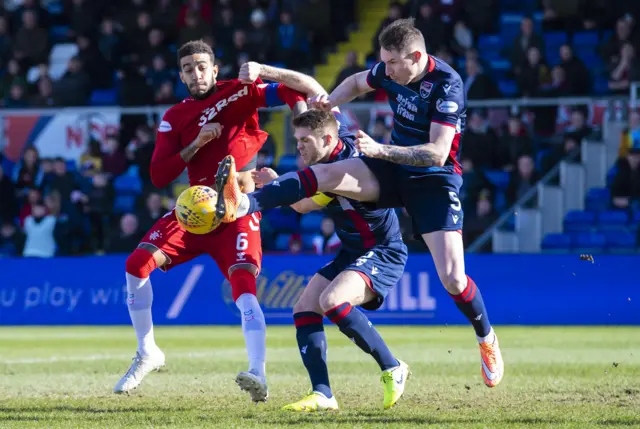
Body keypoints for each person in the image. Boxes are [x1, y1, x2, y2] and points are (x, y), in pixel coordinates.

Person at [215, 19, 504, 388]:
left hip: (432, 178)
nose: (386, 71)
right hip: (390, 167)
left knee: (452, 277)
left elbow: (436, 153)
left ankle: (486, 337)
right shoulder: (388, 70)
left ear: (416, 57)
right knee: (330, 174)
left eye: (393, 64)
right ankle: (244, 204)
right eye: (382, 62)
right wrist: (329, 104)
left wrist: (381, 149)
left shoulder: (447, 85)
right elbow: (353, 83)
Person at [114, 39, 316, 402]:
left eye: (202, 66)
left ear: (215, 68)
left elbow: (290, 90)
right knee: (136, 264)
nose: (196, 73)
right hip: (195, 208)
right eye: (188, 68)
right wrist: (196, 145)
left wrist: (302, 121)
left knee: (243, 286)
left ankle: (258, 372)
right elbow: (159, 175)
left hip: (238, 207)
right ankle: (148, 351)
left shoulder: (241, 91)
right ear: (181, 75)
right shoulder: (175, 116)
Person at [252, 109, 410, 411]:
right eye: (297, 140)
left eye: (304, 140)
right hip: (353, 250)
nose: (298, 146)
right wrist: (276, 180)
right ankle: (323, 394)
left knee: (333, 300)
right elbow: (304, 204)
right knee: (304, 307)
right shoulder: (326, 163)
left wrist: (276, 186)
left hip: (383, 249)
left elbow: (306, 199)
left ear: (327, 138)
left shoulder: (345, 168)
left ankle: (393, 367)